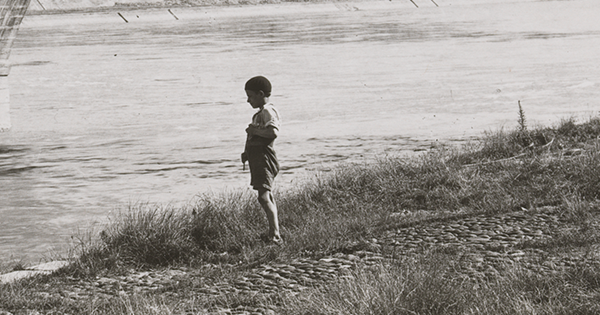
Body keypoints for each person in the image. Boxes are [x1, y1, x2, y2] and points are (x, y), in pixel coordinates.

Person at [241, 76, 283, 245]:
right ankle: (274, 232)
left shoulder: (267, 112)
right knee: (266, 195)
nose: (248, 100)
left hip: (264, 157)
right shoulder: (260, 113)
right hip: (257, 157)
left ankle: (275, 235)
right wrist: (246, 152)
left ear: (260, 94)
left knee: (263, 197)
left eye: (250, 96)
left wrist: (254, 131)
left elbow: (272, 133)